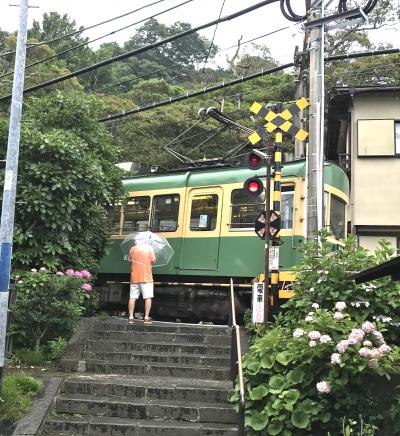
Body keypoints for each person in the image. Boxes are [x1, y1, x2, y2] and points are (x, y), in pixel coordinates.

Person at [128, 242, 156, 325]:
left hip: (134, 277)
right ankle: (146, 318)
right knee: (148, 297)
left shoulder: (133, 248)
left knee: (132, 297)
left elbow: (129, 261)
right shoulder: (149, 248)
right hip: (146, 277)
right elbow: (153, 261)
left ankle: (130, 318)